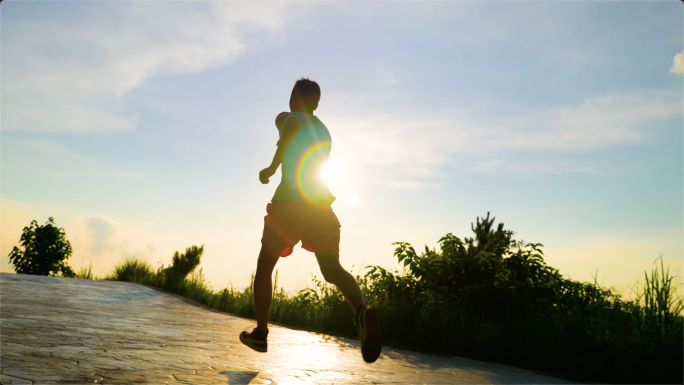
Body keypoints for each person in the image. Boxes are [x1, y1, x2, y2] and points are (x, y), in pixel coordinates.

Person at [239, 77, 382, 363]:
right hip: (322, 209)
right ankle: (361, 312)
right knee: (332, 269)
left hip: (291, 204)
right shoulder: (324, 130)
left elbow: (290, 130)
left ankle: (261, 333)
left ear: (294, 97)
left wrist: (271, 167)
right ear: (317, 103)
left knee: (265, 264)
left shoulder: (287, 117)